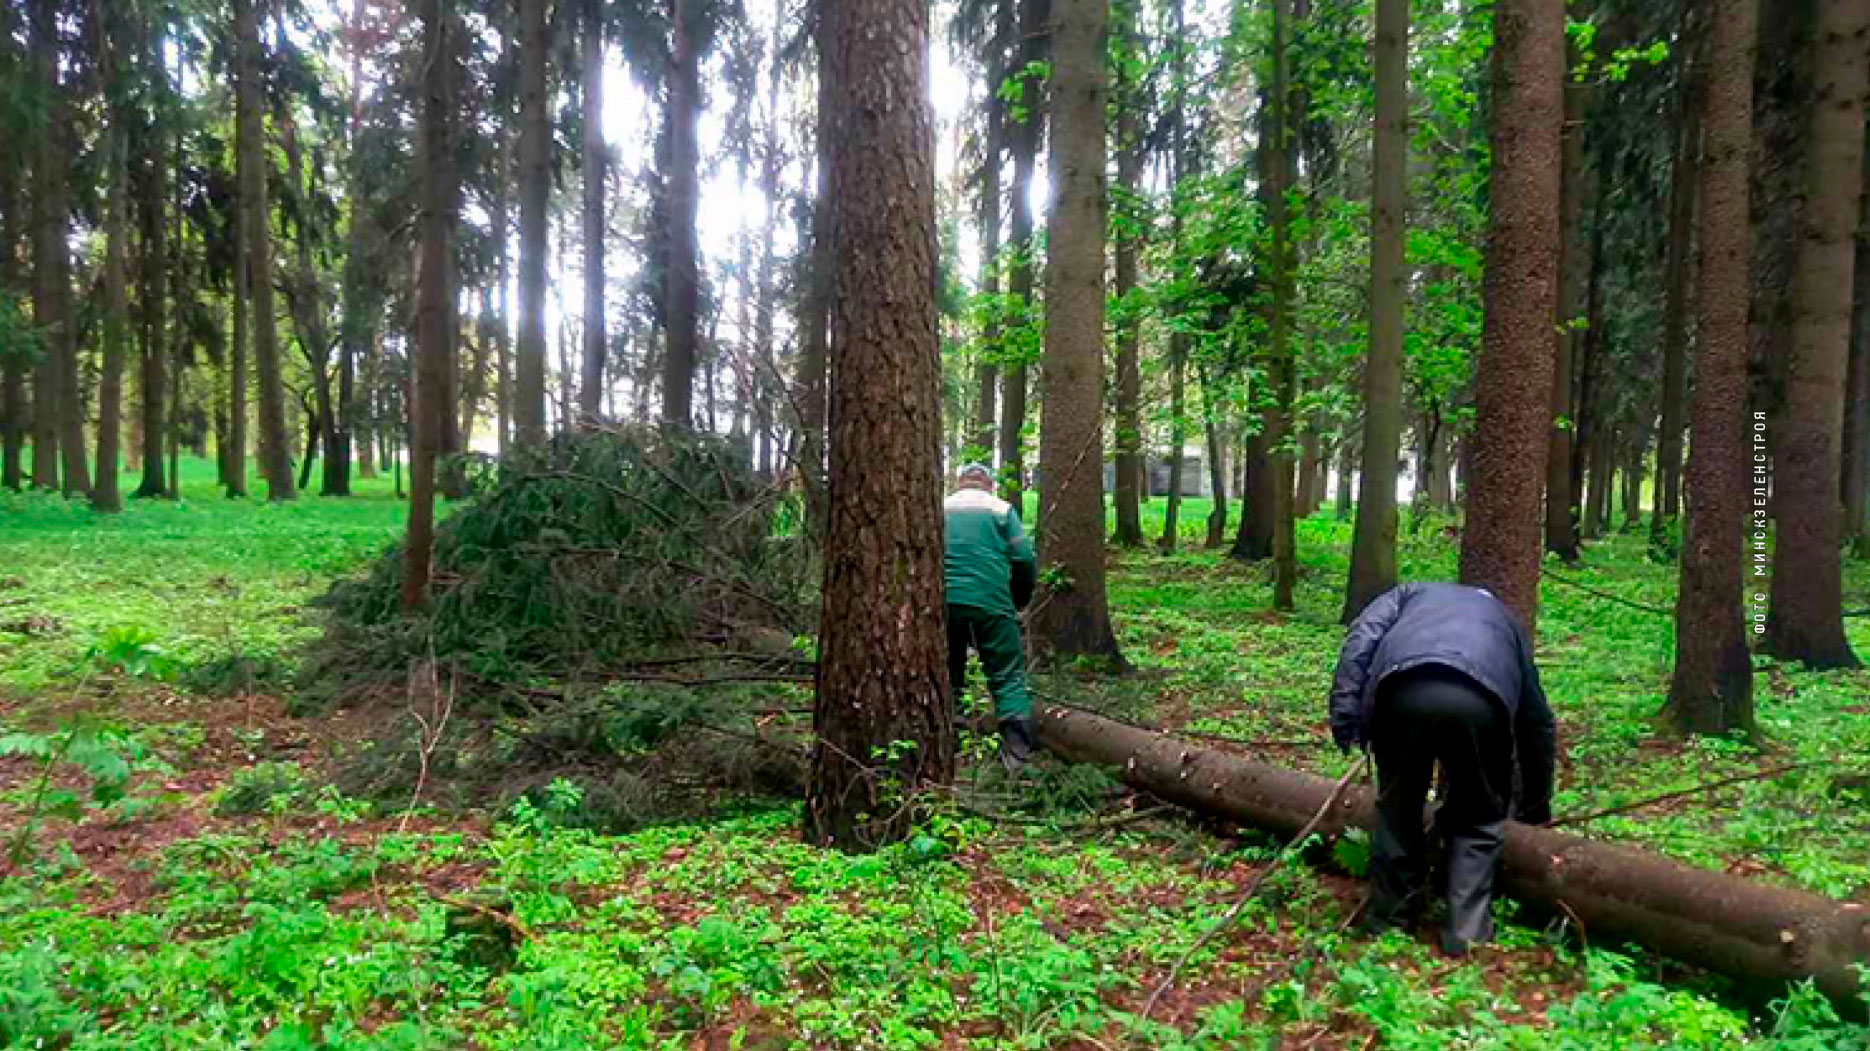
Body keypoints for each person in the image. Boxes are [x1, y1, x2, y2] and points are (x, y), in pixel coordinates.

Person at [1328, 582, 1558, 956]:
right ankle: (1466, 935)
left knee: (1398, 810)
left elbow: (1361, 640)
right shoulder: (1506, 621)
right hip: (1481, 699)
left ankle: (1390, 925)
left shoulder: (1405, 595)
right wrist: (1536, 806)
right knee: (1478, 818)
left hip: (1401, 690)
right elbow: (1537, 723)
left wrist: (1345, 717)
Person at [944, 463, 1038, 772]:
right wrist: (1018, 600)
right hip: (992, 604)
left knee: (948, 673)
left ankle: (948, 744)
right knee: (1007, 675)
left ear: (960, 484)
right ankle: (1017, 757)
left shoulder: (940, 508)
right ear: (988, 484)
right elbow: (1024, 558)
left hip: (944, 603)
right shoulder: (1001, 510)